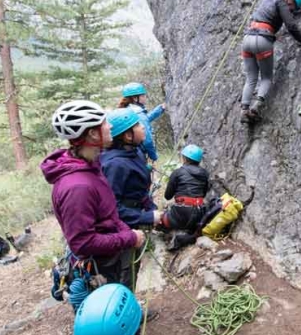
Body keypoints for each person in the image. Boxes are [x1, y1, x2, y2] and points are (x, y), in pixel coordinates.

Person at [40, 100, 155, 321]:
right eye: (104, 123)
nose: (110, 126)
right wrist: (129, 237)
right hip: (101, 263)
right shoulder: (78, 187)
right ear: (93, 135)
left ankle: (128, 316)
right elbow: (82, 243)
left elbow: (109, 209)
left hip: (111, 251)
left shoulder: (91, 164)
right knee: (107, 317)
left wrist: (127, 233)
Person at [100, 108, 162, 291]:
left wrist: (150, 208)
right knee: (125, 272)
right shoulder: (114, 165)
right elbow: (112, 208)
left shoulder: (134, 153)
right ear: (127, 136)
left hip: (133, 216)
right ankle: (124, 314)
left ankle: (129, 310)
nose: (143, 127)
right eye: (138, 125)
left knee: (132, 267)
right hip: (122, 225)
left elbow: (138, 190)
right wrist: (147, 218)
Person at [240, 0, 301, 123]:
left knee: (251, 77)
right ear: (289, 0)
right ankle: (256, 107)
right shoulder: (282, 3)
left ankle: (244, 110)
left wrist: (299, 8)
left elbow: (283, 13)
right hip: (261, 41)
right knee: (266, 78)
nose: (291, 9)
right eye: (292, 6)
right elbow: (290, 24)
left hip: (247, 39)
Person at [159, 144, 211, 250]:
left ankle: (171, 235)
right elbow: (204, 194)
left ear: (184, 158)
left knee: (159, 220)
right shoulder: (205, 174)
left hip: (180, 213)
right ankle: (189, 233)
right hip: (199, 214)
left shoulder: (178, 172)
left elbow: (167, 196)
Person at [118, 82, 165, 164]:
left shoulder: (127, 110)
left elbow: (144, 119)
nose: (145, 97)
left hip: (128, 152)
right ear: (135, 98)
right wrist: (153, 156)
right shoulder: (139, 113)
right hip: (138, 153)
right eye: (143, 95)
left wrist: (159, 110)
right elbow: (147, 140)